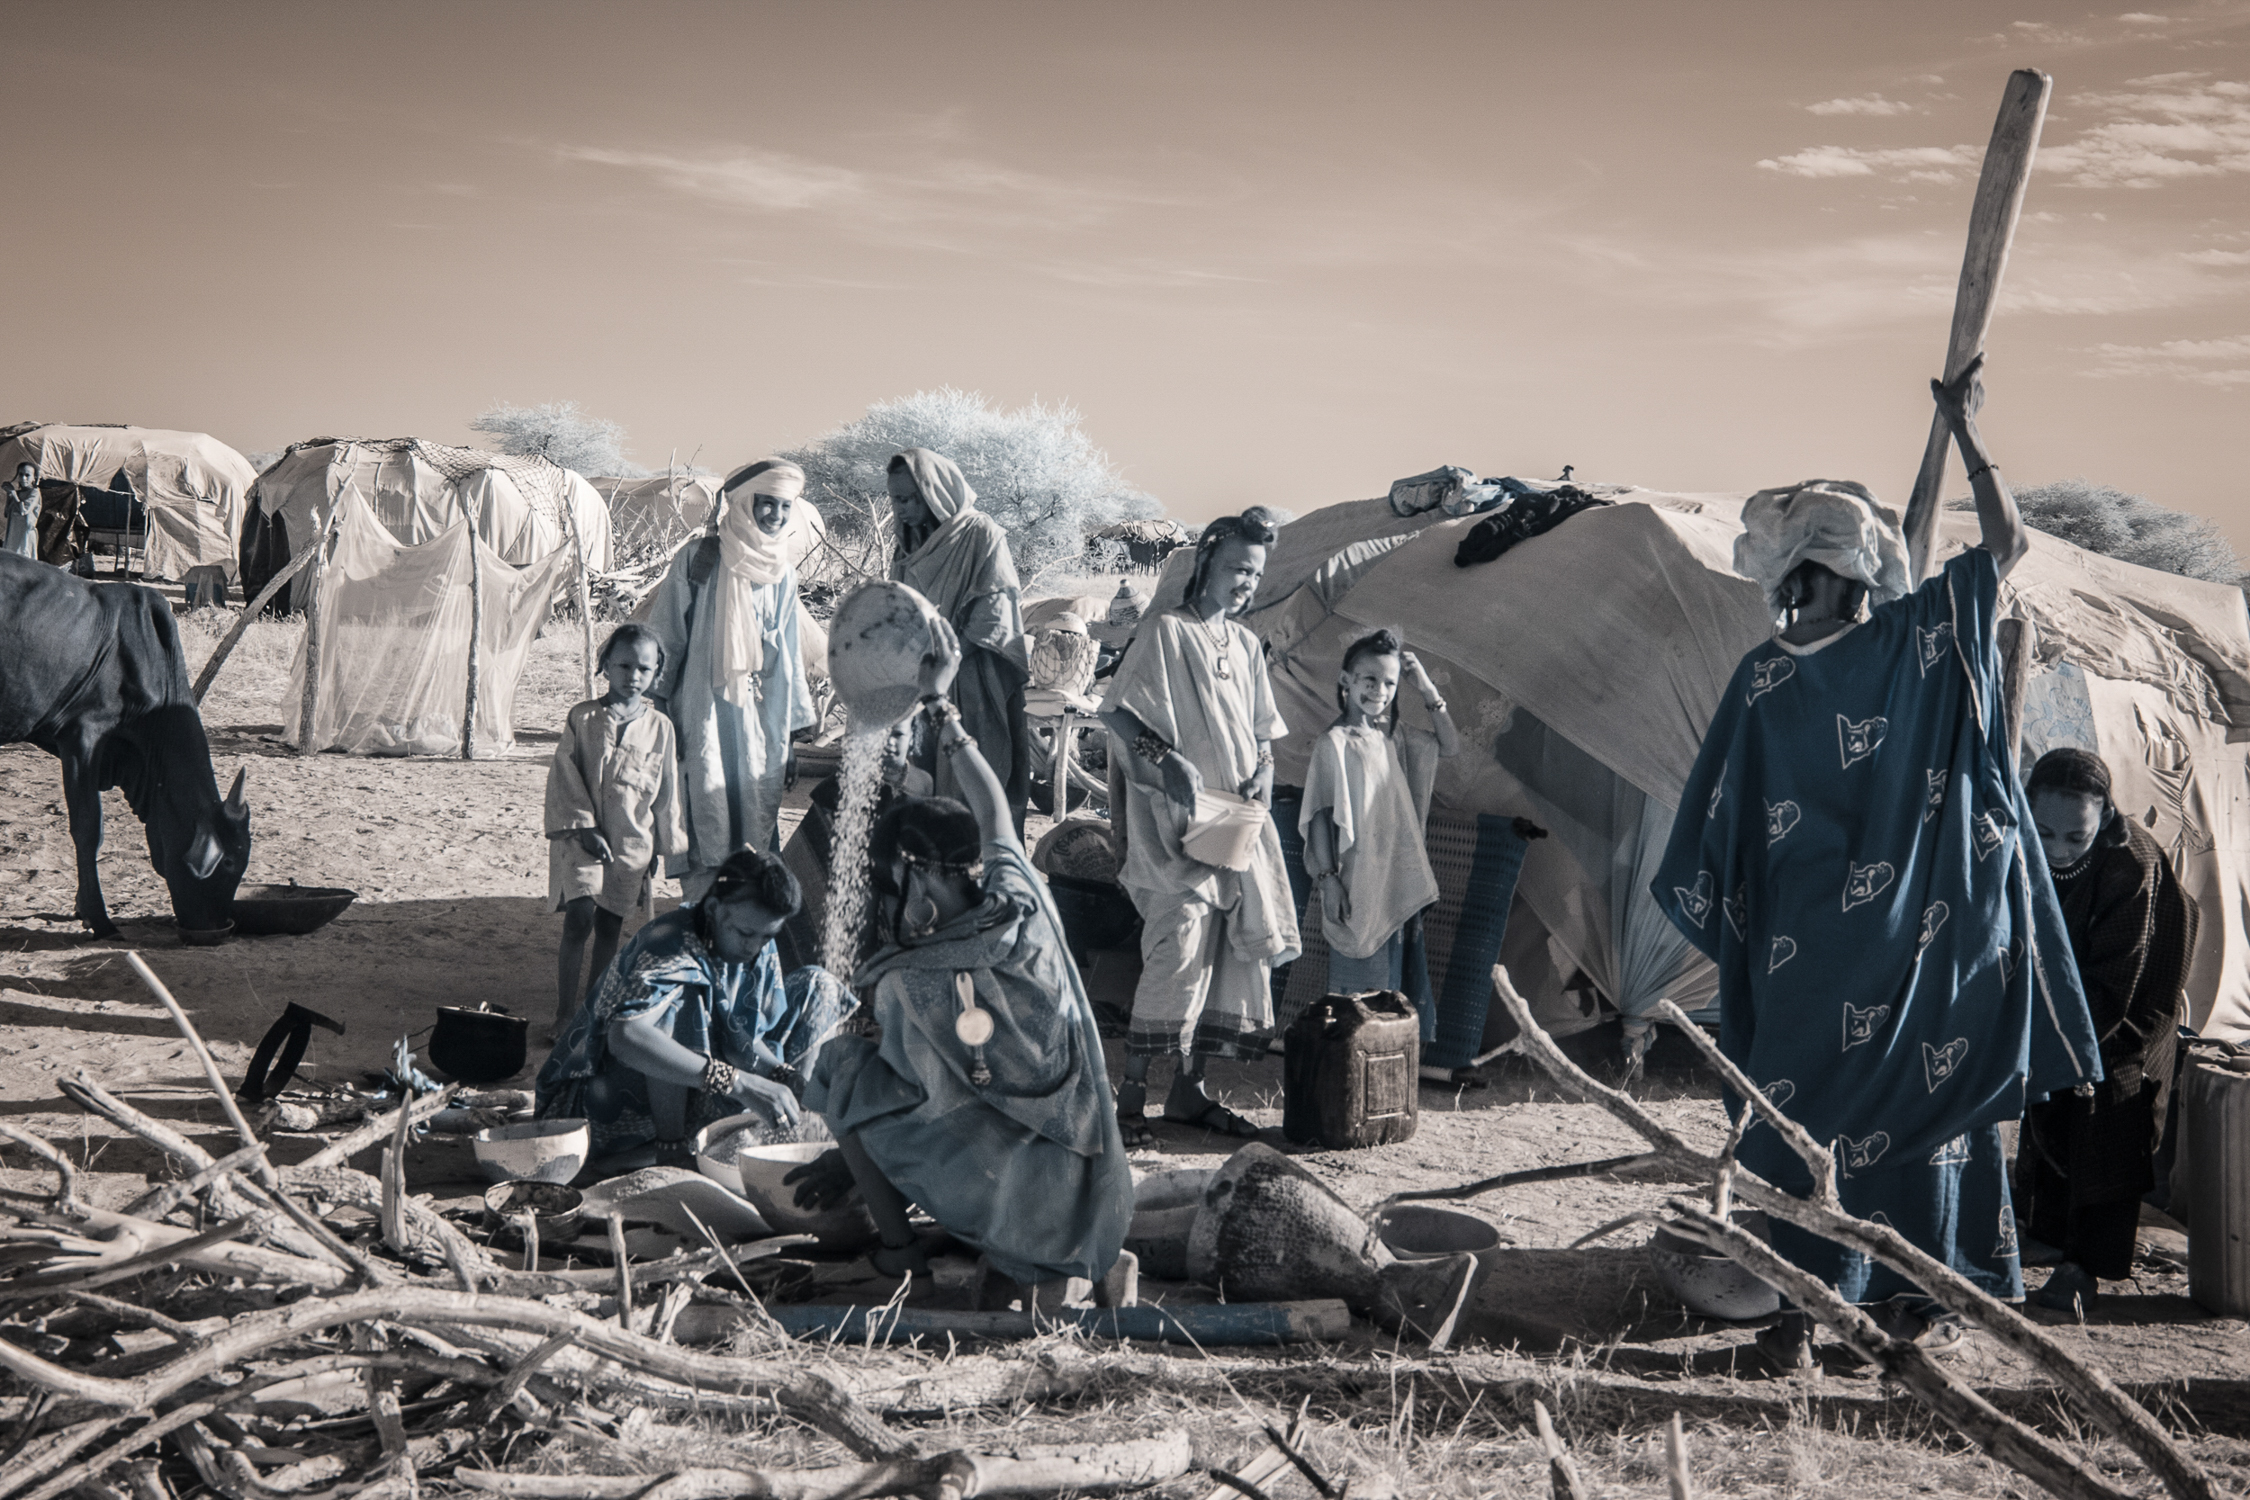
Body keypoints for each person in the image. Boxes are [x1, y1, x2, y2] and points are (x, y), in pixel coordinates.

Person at [1653, 357, 2101, 1368]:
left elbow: (2007, 545)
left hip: (1899, 936)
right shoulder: (1799, 670)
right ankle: (1806, 1315)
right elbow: (1723, 814)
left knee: (1909, 1113)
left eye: (1793, 569)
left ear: (1821, 571)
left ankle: (1907, 1308)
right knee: (1798, 1121)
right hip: (1810, 948)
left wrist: (1969, 435)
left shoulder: (1908, 640)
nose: (1781, 586)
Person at [794, 618, 1133, 1302]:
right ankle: (1001, 1240)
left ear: (919, 873)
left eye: (892, 877)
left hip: (1030, 1197)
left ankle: (901, 1252)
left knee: (840, 1071)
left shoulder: (915, 981)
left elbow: (914, 1076)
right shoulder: (1019, 893)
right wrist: (943, 706)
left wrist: (848, 1153)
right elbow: (993, 806)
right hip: (1096, 1180)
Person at [1099, 508, 1301, 1146]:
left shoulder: (1244, 646)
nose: (1247, 581)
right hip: (1173, 824)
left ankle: (1189, 1094)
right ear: (1206, 563)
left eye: (1256, 572)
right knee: (1176, 949)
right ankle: (1130, 1098)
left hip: (1233, 818)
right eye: (1238, 567)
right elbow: (1120, 717)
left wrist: (1266, 770)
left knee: (1220, 952)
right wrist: (1170, 760)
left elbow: (1263, 732)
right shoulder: (1166, 632)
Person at [535, 847, 853, 1171]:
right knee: (684, 999)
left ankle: (780, 1126)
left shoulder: (756, 942)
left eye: (767, 935)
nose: (754, 947)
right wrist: (737, 1083)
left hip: (698, 1083)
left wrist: (779, 1073)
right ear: (714, 908)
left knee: (819, 984)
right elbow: (626, 1036)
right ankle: (669, 1150)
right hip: (595, 1108)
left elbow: (744, 1034)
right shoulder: (669, 942)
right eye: (746, 933)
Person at [2019, 747, 2198, 1315]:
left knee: (2110, 1102)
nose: (2056, 849)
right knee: (2051, 1107)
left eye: (2076, 838)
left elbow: (2115, 983)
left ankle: (2086, 1266)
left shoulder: (2131, 866)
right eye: (2043, 832)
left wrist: (2046, 1046)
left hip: (2133, 995)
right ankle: (2049, 1235)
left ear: (2104, 817)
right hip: (2066, 992)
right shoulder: (2018, 846)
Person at [646, 459, 816, 899]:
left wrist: (791, 739)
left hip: (759, 715)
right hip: (699, 707)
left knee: (753, 803)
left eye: (783, 507)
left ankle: (743, 908)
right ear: (744, 502)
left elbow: (787, 656)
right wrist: (662, 710)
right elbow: (668, 634)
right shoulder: (699, 558)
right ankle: (702, 905)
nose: (775, 516)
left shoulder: (781, 572)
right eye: (767, 504)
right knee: (702, 795)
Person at [1300, 629, 1459, 1059]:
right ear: (1345, 680)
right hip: (1358, 882)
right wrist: (1329, 881)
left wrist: (1424, 686)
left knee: (1391, 989)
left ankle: (1385, 1067)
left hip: (1395, 880)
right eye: (1369, 679)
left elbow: (1451, 744)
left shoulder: (1393, 738)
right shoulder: (1334, 744)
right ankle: (1351, 1068)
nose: (1379, 691)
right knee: (1357, 992)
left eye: (1389, 683)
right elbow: (1318, 814)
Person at [545, 623, 686, 1034]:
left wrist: (660, 847)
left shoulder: (661, 728)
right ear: (606, 665)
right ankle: (563, 1013)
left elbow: (665, 792)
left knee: (610, 923)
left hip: (632, 843)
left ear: (657, 672)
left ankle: (593, 1011)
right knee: (579, 917)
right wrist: (584, 826)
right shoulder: (583, 718)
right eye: (624, 665)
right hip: (581, 838)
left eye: (645, 668)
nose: (634, 676)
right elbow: (564, 776)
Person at [888, 448, 1032, 834]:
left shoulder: (980, 534)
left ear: (933, 492)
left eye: (907, 498)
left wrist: (945, 663)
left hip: (972, 682)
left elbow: (997, 615)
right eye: (894, 499)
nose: (899, 509)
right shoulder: (906, 546)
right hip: (919, 684)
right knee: (919, 792)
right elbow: (896, 609)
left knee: (971, 793)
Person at [3, 462, 39, 560]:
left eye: (27, 475)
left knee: (23, 562)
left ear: (34, 478)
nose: (24, 478)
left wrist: (13, 494)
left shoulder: (34, 493)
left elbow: (23, 511)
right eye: (21, 474)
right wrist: (9, 495)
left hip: (25, 536)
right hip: (13, 534)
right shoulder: (17, 494)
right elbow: (6, 513)